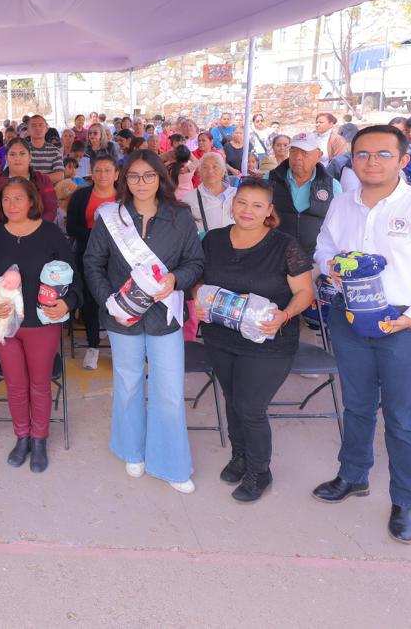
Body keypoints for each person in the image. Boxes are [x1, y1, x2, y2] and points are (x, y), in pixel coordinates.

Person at [312, 124, 411, 545]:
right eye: (362, 154)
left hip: (406, 324)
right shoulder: (342, 204)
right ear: (351, 160)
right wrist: (331, 266)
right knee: (357, 404)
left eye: (383, 154)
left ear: (403, 160)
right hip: (350, 317)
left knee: (401, 416)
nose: (371, 162)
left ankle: (405, 500)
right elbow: (323, 248)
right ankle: (353, 475)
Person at [83, 151, 204, 491]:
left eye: (149, 175)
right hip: (123, 317)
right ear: (124, 179)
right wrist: (110, 302)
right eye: (134, 176)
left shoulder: (180, 216)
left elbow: (196, 262)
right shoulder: (111, 217)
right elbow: (92, 263)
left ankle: (171, 464)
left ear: (160, 177)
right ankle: (131, 449)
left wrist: (175, 279)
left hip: (165, 315)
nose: (141, 183)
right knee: (129, 384)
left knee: (169, 391)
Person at [195, 178, 314, 502]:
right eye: (242, 203)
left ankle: (260, 470)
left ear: (269, 211)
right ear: (232, 204)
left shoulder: (285, 245)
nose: (247, 210)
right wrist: (200, 300)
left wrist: (285, 315)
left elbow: (305, 292)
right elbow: (200, 282)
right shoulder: (213, 240)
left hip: (267, 340)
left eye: (257, 205)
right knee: (232, 399)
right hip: (221, 335)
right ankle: (240, 456)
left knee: (250, 406)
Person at [0, 177, 79, 473]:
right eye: (6, 199)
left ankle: (39, 438)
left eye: (18, 198)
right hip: (5, 325)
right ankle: (22, 436)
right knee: (16, 385)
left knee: (39, 384)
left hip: (42, 325)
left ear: (32, 201)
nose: (12, 205)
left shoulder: (50, 234)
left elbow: (75, 279)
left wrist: (68, 303)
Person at [65, 153, 119, 369]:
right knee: (90, 300)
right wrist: (98, 236)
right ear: (91, 173)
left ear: (116, 174)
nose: (103, 175)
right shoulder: (81, 196)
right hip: (88, 256)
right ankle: (93, 345)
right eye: (98, 170)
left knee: (119, 299)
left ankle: (119, 345)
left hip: (120, 258)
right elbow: (71, 228)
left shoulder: (125, 196)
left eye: (108, 170)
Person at [267, 134, 341, 259]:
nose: (297, 157)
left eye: (305, 152)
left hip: (316, 257)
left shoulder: (332, 186)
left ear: (319, 155)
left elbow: (339, 224)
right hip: (275, 255)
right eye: (293, 151)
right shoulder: (270, 179)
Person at [0, 139, 58, 230]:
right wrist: (7, 231)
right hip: (3, 233)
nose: (17, 158)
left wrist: (35, 229)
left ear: (30, 157)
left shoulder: (43, 180)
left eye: (22, 153)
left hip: (38, 232)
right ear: (6, 158)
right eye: (12, 154)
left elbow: (50, 209)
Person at [186, 152, 235, 236]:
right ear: (199, 172)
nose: (210, 171)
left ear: (223, 171)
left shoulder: (237, 195)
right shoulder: (188, 199)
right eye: (205, 167)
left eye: (215, 167)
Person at [25, 115, 64, 182]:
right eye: (33, 126)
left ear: (46, 129)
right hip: (26, 187)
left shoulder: (55, 151)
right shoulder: (22, 151)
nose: (37, 128)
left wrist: (34, 178)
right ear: (28, 130)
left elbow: (59, 176)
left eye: (40, 125)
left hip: (48, 188)